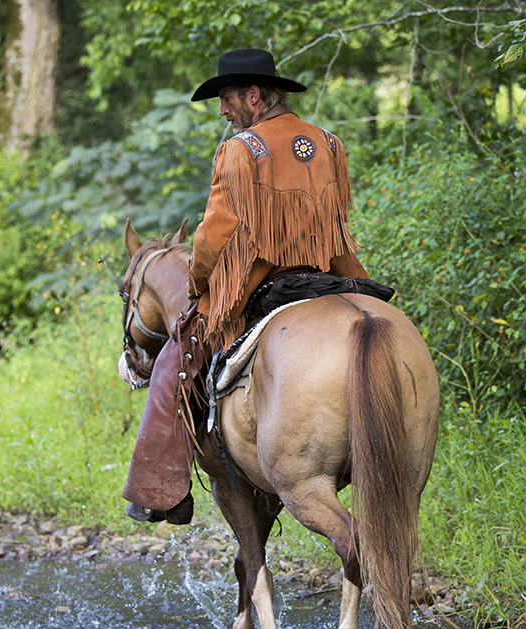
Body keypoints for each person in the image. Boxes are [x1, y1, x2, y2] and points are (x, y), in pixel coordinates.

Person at [123, 48, 370, 524]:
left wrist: (198, 283)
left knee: (177, 354)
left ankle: (158, 490)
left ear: (254, 97)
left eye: (228, 98)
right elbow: (335, 221)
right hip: (329, 274)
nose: (223, 110)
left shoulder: (240, 151)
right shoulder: (329, 144)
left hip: (258, 283)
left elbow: (214, 234)